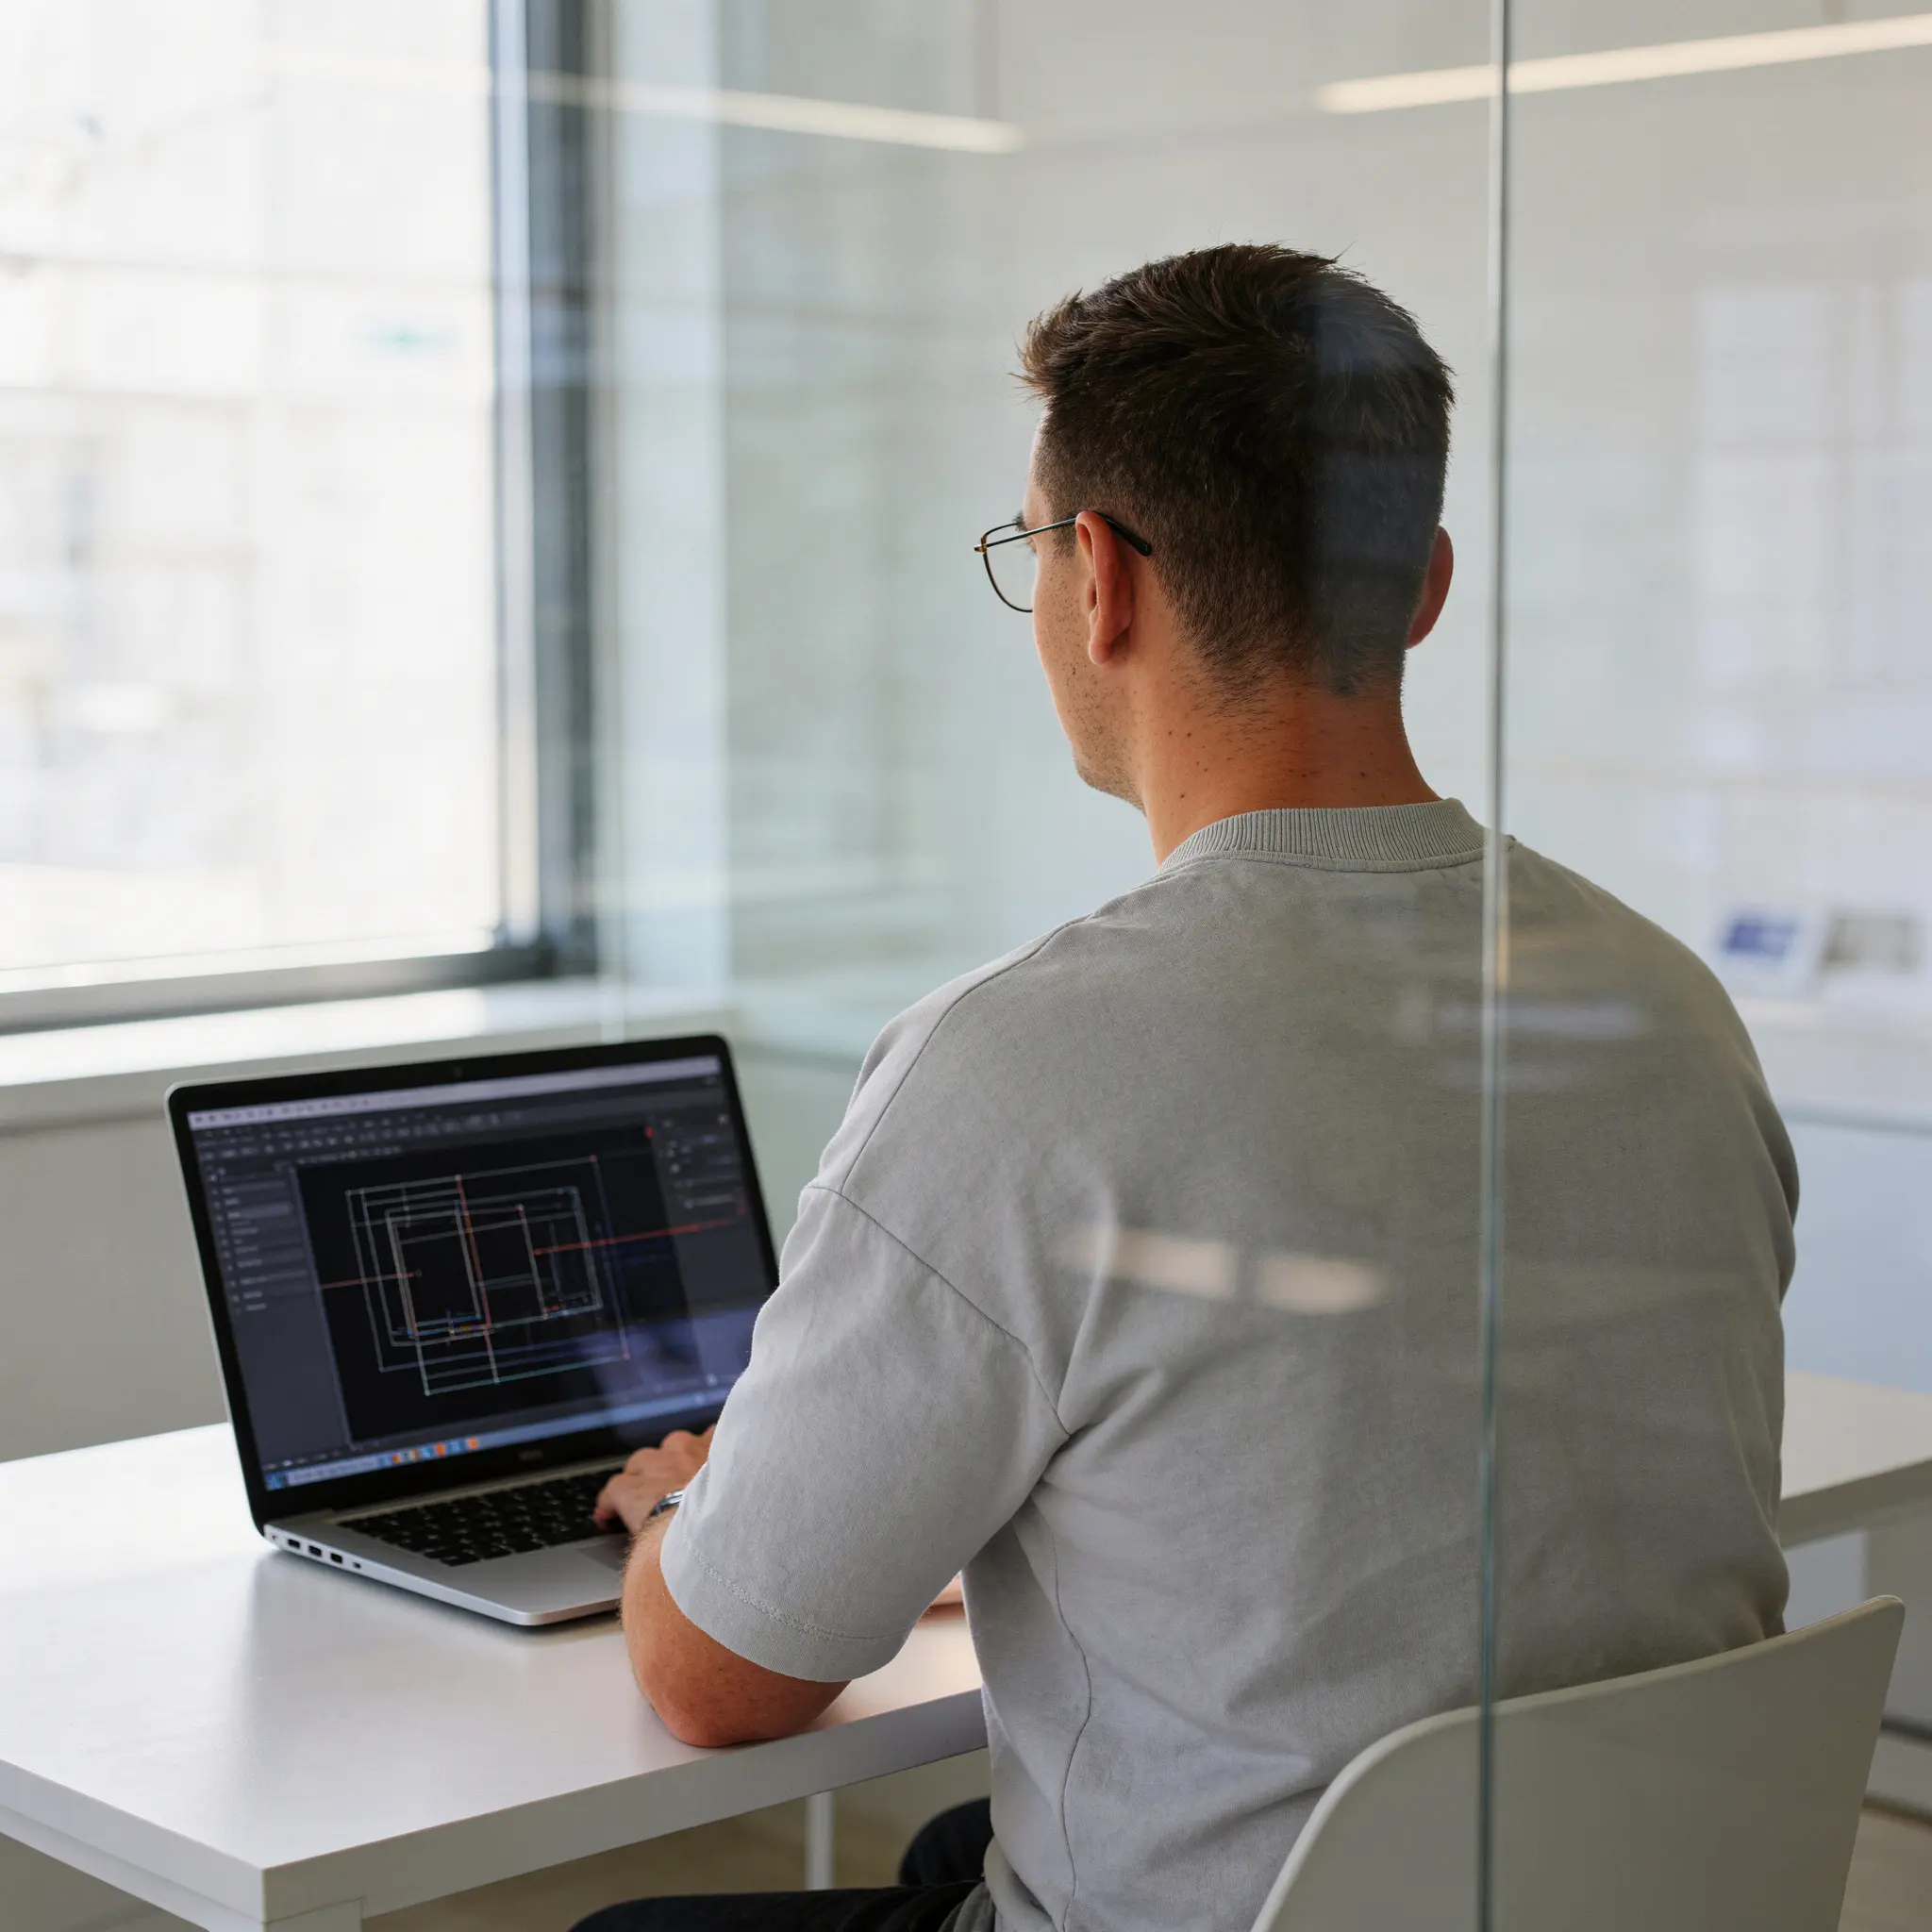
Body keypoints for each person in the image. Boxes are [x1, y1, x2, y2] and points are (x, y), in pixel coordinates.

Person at [574, 244, 1795, 1932]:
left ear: (1099, 584)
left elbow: (723, 1682)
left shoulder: (1013, 1067)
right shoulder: (1667, 1005)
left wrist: (683, 1517)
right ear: (1426, 584)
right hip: (1608, 1898)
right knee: (951, 1854)